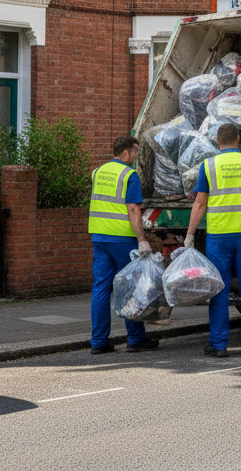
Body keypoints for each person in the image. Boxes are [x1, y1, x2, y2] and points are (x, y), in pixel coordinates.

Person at [185, 122, 241, 357]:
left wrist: (190, 235)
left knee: (219, 290)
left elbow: (200, 202)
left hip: (219, 237)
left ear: (218, 142)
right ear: (238, 141)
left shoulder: (209, 166)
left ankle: (218, 345)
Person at [88, 135, 160, 354]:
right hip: (122, 238)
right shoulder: (130, 175)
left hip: (100, 237)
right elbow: (132, 209)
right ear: (125, 153)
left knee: (101, 288)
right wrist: (142, 240)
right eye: (136, 151)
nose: (137, 156)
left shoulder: (97, 172)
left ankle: (98, 342)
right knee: (130, 288)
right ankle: (136, 338)